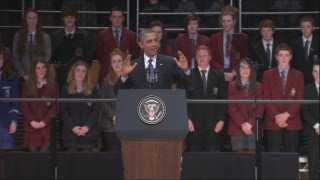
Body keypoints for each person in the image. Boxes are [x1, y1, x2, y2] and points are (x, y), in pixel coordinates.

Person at [262, 43, 304, 152]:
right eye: (281, 55)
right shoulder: (267, 74)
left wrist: (286, 115)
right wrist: (277, 116)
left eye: (286, 55)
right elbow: (266, 98)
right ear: (276, 57)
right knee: (272, 157)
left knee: (292, 157)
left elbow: (299, 98)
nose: (284, 58)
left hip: (292, 121)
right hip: (273, 121)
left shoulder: (299, 75)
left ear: (291, 57)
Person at [117, 28, 189, 90]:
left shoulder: (169, 62)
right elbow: (118, 92)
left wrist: (186, 70)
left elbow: (188, 86)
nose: (154, 44)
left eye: (155, 40)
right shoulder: (133, 66)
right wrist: (124, 76)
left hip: (165, 104)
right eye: (149, 41)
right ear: (141, 45)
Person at [185, 45, 226, 152]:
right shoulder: (189, 75)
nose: (202, 58)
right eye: (199, 56)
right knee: (194, 159)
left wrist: (221, 120)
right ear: (195, 58)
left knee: (212, 160)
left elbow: (223, 99)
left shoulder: (218, 75)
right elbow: (185, 99)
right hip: (193, 125)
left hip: (213, 125)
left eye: (204, 55)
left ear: (210, 57)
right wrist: (187, 119)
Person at [51, 6, 96, 88]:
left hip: (80, 77)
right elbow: (53, 58)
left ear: (76, 18)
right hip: (61, 77)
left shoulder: (85, 36)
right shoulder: (55, 36)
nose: (69, 20)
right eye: (66, 17)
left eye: (72, 17)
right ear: (62, 19)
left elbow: (88, 59)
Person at [21, 59, 59, 152]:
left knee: (45, 156)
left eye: (43, 67)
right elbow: (24, 106)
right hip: (31, 127)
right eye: (38, 68)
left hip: (46, 127)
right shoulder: (27, 85)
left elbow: (55, 107)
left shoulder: (53, 85)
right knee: (32, 157)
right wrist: (32, 121)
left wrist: (44, 122)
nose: (41, 70)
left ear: (47, 69)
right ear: (34, 70)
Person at [61, 61, 99, 151]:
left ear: (87, 74)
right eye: (78, 70)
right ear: (73, 72)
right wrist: (73, 128)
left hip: (88, 134)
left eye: (83, 71)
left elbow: (95, 111)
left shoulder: (93, 89)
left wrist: (86, 127)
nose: (80, 73)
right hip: (70, 134)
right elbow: (63, 111)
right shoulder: (65, 89)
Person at [228, 57, 264, 152]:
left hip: (253, 129)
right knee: (239, 161)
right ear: (238, 70)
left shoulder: (258, 86)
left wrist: (250, 124)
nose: (245, 70)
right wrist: (243, 124)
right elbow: (232, 109)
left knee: (252, 160)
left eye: (248, 67)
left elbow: (260, 108)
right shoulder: (232, 86)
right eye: (242, 67)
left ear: (251, 70)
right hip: (237, 128)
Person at [96, 6, 139, 82]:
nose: (117, 19)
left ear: (123, 18)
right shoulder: (102, 35)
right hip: (106, 73)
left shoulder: (131, 35)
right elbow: (99, 56)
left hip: (125, 74)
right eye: (114, 17)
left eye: (119, 17)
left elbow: (134, 56)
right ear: (110, 18)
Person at [210, 5, 249, 82]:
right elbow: (212, 58)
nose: (226, 24)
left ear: (234, 21)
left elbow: (244, 59)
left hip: (237, 74)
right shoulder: (214, 37)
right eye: (223, 21)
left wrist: (234, 73)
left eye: (228, 21)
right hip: (219, 73)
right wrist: (222, 72)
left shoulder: (242, 37)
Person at [12, 8, 51, 81]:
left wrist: (38, 74)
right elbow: (15, 58)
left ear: (38, 20)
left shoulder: (45, 38)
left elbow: (47, 59)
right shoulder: (18, 36)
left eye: (35, 18)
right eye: (29, 18)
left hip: (40, 78)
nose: (32, 21)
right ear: (25, 20)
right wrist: (23, 75)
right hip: (22, 79)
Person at [99, 48, 123, 152]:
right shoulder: (105, 81)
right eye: (114, 61)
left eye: (119, 61)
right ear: (111, 64)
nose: (117, 64)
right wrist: (113, 116)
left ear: (124, 62)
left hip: (127, 124)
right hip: (110, 124)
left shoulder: (131, 79)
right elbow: (103, 103)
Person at [302, 59, 319, 180]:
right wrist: (317, 126)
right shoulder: (308, 88)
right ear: (312, 73)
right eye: (316, 71)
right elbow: (305, 111)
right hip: (313, 132)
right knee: (313, 164)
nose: (318, 74)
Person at [0, 43, 19, 150]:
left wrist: (14, 120)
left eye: (0, 58)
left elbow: (15, 101)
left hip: (6, 122)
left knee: (6, 157)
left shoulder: (11, 76)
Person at [290, 16, 319, 85]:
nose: (305, 29)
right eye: (303, 27)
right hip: (298, 79)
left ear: (313, 28)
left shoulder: (318, 42)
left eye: (308, 26)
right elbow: (291, 62)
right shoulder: (293, 42)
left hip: (315, 79)